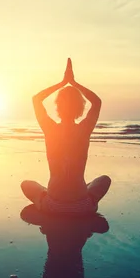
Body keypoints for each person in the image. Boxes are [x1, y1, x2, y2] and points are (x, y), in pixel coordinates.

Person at [21, 58, 111, 214]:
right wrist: (74, 83)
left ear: (57, 106)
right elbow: (96, 102)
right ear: (81, 108)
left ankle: (43, 195)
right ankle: (88, 195)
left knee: (26, 184)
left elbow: (36, 99)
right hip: (82, 207)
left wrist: (63, 83)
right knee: (104, 180)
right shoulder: (84, 129)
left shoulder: (50, 129)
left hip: (53, 206)